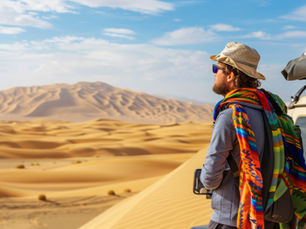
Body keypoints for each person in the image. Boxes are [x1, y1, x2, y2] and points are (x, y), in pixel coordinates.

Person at [200, 42, 288, 229]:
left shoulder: (230, 116)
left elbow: (210, 177)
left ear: (230, 75)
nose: (214, 73)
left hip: (232, 219)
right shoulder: (272, 111)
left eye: (217, 69)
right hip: (268, 217)